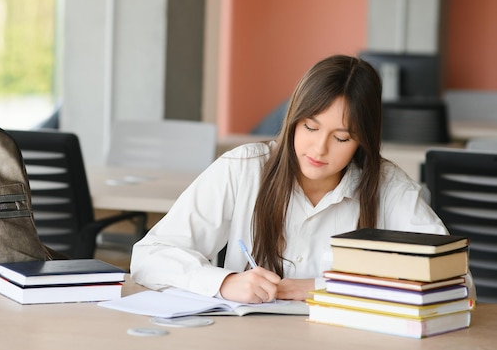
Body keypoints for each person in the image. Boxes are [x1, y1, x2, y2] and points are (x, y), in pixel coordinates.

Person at [130, 54, 449, 304]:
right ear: (293, 119)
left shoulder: (390, 188)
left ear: (362, 141)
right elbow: (150, 255)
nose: (319, 149)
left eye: (341, 138)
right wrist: (225, 282)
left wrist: (316, 287)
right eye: (310, 127)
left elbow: (451, 280)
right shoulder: (244, 168)